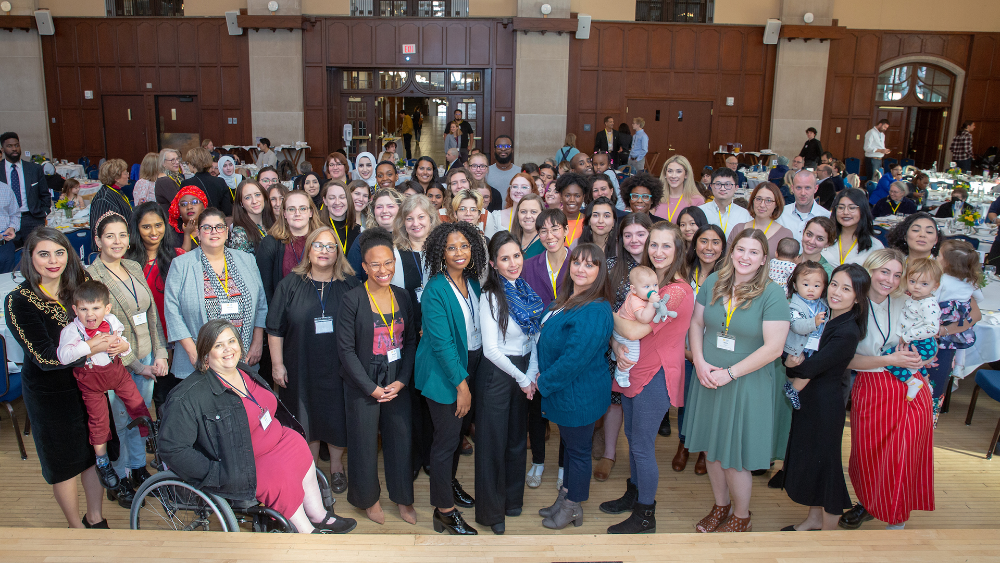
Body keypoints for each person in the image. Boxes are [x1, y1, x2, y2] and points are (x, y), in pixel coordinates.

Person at [158, 320, 356, 534]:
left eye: (231, 341)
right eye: (218, 345)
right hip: (245, 462)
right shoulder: (188, 396)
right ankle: (306, 531)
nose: (228, 349)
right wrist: (215, 473)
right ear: (205, 354)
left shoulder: (243, 370)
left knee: (299, 446)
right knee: (280, 476)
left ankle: (319, 515)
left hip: (278, 440)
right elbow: (172, 449)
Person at [684, 228, 790, 533]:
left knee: (735, 455)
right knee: (710, 447)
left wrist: (729, 373)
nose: (745, 257)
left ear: (763, 260)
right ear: (732, 252)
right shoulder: (715, 282)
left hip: (745, 382)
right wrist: (700, 362)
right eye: (741, 249)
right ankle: (721, 506)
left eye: (753, 252)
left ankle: (742, 516)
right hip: (708, 376)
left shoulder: (772, 293)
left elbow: (774, 348)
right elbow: (696, 322)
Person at [5, 227, 109, 528]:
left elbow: (105, 323)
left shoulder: (81, 284)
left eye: (60, 252)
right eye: (44, 254)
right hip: (50, 393)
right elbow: (46, 358)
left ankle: (96, 518)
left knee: (92, 455)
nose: (53, 261)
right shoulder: (19, 301)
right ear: (30, 257)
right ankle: (75, 529)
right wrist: (92, 347)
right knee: (63, 464)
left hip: (89, 384)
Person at [601, 222, 694, 533]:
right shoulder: (649, 285)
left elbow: (632, 329)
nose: (658, 251)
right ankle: (634, 494)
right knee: (633, 440)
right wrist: (615, 340)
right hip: (634, 367)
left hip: (656, 374)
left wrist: (605, 313)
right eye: (653, 244)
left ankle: (645, 515)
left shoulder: (675, 292)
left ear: (679, 250)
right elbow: (623, 333)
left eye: (666, 245)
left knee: (641, 444)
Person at [840, 249, 933, 531]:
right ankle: (868, 503)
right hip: (871, 385)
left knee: (902, 453)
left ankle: (897, 518)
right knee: (868, 454)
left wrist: (924, 357)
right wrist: (888, 359)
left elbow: (930, 341)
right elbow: (845, 359)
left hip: (911, 387)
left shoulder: (908, 301)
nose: (890, 280)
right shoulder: (852, 304)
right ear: (869, 270)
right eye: (884, 272)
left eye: (896, 274)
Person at [267, 225, 358, 497]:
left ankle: (337, 468)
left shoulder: (350, 285)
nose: (324, 251)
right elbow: (274, 328)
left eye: (331, 246)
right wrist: (277, 364)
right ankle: (312, 469)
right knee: (306, 420)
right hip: (300, 366)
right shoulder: (290, 284)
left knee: (336, 419)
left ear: (338, 253)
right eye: (318, 245)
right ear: (308, 249)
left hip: (340, 369)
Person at [85, 212, 169, 497]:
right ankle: (120, 478)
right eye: (110, 236)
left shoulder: (133, 265)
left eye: (122, 235)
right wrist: (135, 364)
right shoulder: (92, 275)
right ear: (97, 241)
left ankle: (136, 468)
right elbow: (98, 329)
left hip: (146, 355)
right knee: (121, 422)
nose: (117, 241)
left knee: (140, 416)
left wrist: (160, 353)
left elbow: (151, 313)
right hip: (116, 364)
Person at [781, 264, 868, 531]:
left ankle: (829, 531)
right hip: (812, 400)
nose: (836, 292)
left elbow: (812, 367)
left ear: (858, 296)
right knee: (814, 463)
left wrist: (791, 365)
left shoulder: (847, 330)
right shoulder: (827, 316)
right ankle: (814, 519)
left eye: (846, 289)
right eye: (834, 285)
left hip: (824, 404)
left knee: (827, 467)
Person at [535, 243, 615, 529]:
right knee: (570, 448)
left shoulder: (594, 309)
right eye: (577, 262)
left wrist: (543, 382)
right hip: (568, 392)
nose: (581, 269)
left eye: (590, 264)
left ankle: (573, 507)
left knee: (578, 452)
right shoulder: (569, 299)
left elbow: (574, 359)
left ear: (600, 271)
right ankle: (565, 498)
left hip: (579, 394)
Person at [415, 221, 487, 535]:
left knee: (456, 438)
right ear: (440, 253)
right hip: (444, 373)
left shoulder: (472, 282)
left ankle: (449, 485)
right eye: (451, 247)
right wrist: (462, 387)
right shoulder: (435, 289)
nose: (459, 252)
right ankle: (444, 512)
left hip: (468, 364)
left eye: (464, 246)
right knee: (445, 443)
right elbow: (443, 345)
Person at [476, 231, 543, 534]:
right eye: (505, 258)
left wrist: (531, 373)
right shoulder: (491, 295)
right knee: (493, 444)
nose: (513, 262)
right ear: (493, 263)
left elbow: (535, 338)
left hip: (525, 370)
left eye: (517, 255)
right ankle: (492, 513)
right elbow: (491, 350)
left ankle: (513, 500)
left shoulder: (526, 290)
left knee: (517, 439)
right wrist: (521, 377)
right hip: (499, 373)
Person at [57, 280, 152, 492]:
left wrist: (123, 346)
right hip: (91, 383)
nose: (90, 315)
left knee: (137, 403)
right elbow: (63, 356)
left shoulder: (111, 321)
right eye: (83, 309)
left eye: (95, 308)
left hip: (117, 374)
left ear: (106, 308)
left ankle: (149, 435)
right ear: (75, 310)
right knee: (99, 422)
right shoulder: (72, 331)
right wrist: (90, 345)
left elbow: (124, 346)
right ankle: (102, 462)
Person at [163, 208, 267, 382]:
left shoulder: (246, 260)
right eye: (207, 227)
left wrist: (257, 343)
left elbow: (261, 304)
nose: (214, 232)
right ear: (198, 232)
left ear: (227, 232)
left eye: (219, 227)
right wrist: (193, 352)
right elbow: (172, 312)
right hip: (200, 361)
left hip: (243, 357)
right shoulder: (181, 265)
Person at [126, 203, 185, 414]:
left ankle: (166, 439)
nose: (154, 232)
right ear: (136, 229)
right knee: (140, 397)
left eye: (158, 225)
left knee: (168, 397)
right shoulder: (126, 262)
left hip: (173, 339)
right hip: (140, 340)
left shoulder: (178, 257)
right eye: (146, 227)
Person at [927, 239, 983, 419]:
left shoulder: (940, 280)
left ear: (946, 262)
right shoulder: (969, 281)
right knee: (937, 383)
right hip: (953, 338)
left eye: (939, 255)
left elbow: (930, 300)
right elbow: (979, 299)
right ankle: (929, 420)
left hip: (933, 334)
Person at [781, 261, 831, 410]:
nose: (811, 289)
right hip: (797, 347)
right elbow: (796, 326)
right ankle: (793, 390)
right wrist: (813, 322)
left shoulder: (823, 304)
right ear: (795, 285)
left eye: (817, 286)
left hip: (813, 347)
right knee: (803, 368)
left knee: (810, 369)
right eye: (806, 284)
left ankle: (792, 387)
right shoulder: (793, 306)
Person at [256, 191, 323, 301]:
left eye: (302, 208)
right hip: (283, 310)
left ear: (311, 212)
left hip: (319, 308)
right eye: (291, 209)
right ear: (284, 214)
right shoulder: (270, 243)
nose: (297, 213)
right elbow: (265, 289)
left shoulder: (323, 241)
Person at [1, 132, 50, 245]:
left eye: (16, 145)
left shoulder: (34, 169)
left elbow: (45, 194)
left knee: (35, 254)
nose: (14, 149)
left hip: (32, 218)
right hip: (7, 221)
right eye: (10, 146)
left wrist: (44, 211)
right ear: (2, 149)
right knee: (13, 257)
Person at [727, 182, 794, 257]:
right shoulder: (738, 229)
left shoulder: (785, 235)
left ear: (776, 204)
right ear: (752, 201)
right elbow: (727, 262)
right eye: (758, 199)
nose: (762, 205)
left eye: (768, 200)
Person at [822, 188, 883, 267]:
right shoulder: (823, 238)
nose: (845, 212)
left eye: (852, 208)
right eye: (841, 207)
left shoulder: (875, 246)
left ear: (862, 210)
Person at [777, 170, 832, 242]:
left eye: (807, 188)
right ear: (792, 188)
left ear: (816, 189)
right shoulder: (781, 214)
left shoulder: (827, 217)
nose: (803, 193)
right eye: (799, 188)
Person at [698, 168, 752, 238]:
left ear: (736, 187)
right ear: (711, 186)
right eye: (718, 184)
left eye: (728, 184)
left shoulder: (744, 215)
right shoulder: (700, 211)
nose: (722, 188)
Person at [227, 180, 276, 255]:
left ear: (264, 197)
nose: (254, 201)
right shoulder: (240, 233)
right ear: (241, 203)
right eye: (247, 197)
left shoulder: (273, 224)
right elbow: (241, 264)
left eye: (257, 195)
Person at [654, 155, 705, 222]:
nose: (673, 176)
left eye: (679, 171)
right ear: (665, 174)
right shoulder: (657, 198)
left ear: (686, 175)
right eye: (670, 171)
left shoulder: (697, 200)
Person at [485, 173, 536, 239]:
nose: (518, 191)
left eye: (524, 187)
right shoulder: (497, 216)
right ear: (510, 190)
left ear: (532, 191)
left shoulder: (538, 216)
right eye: (515, 186)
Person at [184, 147, 232, 216]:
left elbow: (185, 211)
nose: (188, 165)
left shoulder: (187, 184)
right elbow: (227, 210)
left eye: (188, 163)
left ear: (193, 164)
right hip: (217, 222)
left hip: (197, 223)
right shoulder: (220, 181)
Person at [89, 159, 134, 225]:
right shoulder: (103, 199)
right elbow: (105, 227)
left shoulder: (116, 191)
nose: (128, 176)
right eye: (125, 173)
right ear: (116, 178)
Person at [167, 186, 208, 252]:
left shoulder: (212, 229)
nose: (189, 207)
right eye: (183, 204)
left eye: (194, 202)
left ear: (204, 206)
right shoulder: (172, 235)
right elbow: (181, 259)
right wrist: (187, 235)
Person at [512, 193, 545, 259]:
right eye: (523, 212)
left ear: (542, 214)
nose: (528, 216)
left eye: (533, 212)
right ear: (517, 214)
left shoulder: (546, 243)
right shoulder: (510, 240)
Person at [153, 149, 184, 215]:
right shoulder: (165, 181)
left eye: (177, 159)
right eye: (172, 160)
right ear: (163, 163)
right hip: (171, 221)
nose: (177, 162)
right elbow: (177, 202)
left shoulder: (174, 177)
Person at [487, 135, 518, 200]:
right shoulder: (486, 172)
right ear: (494, 150)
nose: (503, 149)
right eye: (499, 146)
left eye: (507, 146)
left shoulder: (520, 172)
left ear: (512, 150)